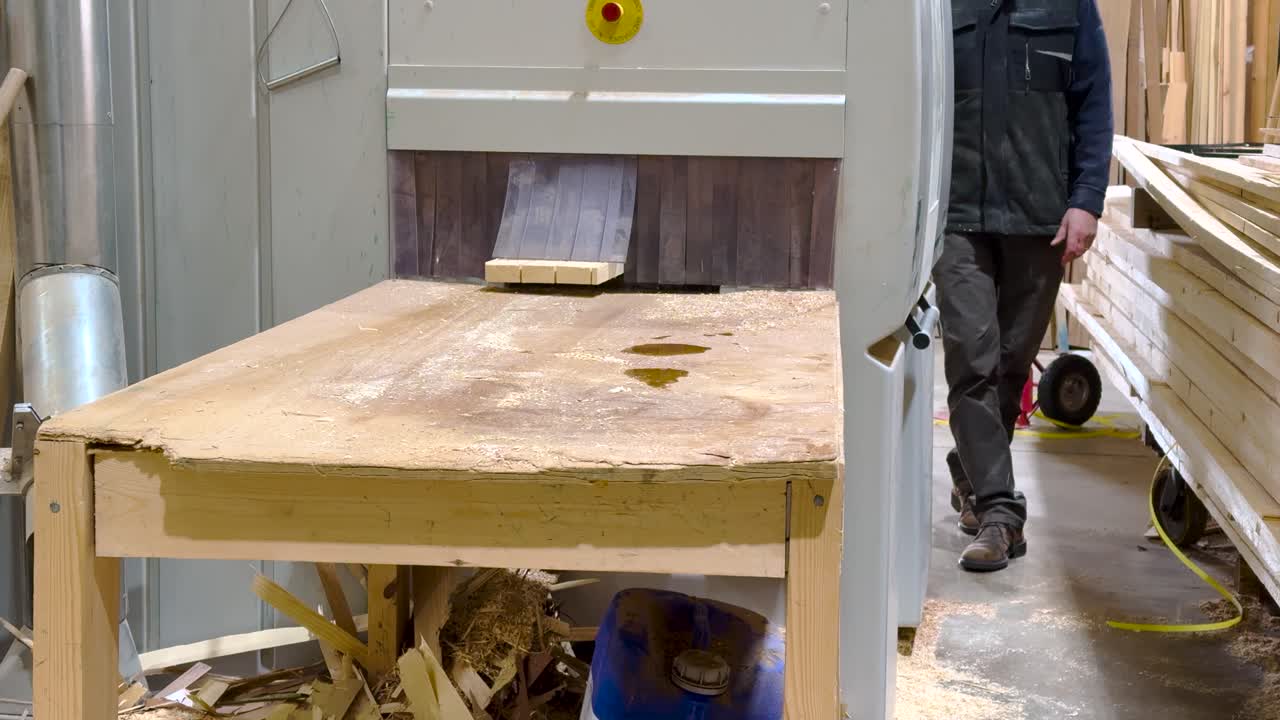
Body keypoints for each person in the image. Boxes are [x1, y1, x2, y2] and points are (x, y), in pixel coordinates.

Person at [936, 0, 1113, 572]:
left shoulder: (1068, 6)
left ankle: (974, 469)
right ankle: (1000, 516)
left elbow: (1094, 105)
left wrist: (1086, 200)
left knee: (1012, 365)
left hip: (1039, 218)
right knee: (971, 358)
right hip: (957, 217)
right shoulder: (939, 8)